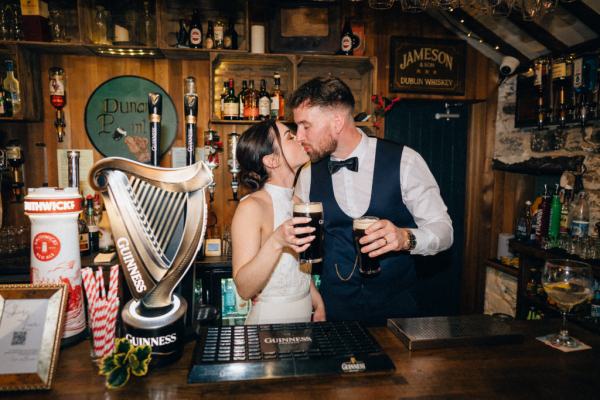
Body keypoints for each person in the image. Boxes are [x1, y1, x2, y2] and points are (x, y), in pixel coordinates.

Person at [291, 77, 453, 325]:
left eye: (305, 126)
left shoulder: (405, 161)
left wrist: (404, 238)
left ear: (336, 122)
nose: (299, 135)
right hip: (335, 312)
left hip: (397, 312)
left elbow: (444, 231)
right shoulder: (308, 173)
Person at [231, 119, 326, 324]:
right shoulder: (252, 207)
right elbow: (244, 289)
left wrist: (314, 297)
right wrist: (276, 241)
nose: (299, 138)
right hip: (269, 322)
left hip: (303, 314)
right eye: (290, 137)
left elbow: (292, 265)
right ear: (272, 160)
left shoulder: (298, 203)